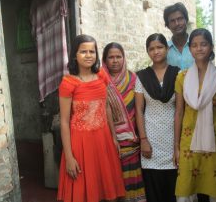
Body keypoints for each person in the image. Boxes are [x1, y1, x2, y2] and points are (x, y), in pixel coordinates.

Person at [57, 35, 125, 202]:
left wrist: (114, 137)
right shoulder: (68, 83)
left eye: (92, 51)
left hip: (103, 140)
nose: (88, 55)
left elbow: (106, 106)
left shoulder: (102, 75)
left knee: (106, 189)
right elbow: (64, 122)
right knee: (83, 193)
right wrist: (69, 157)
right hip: (79, 144)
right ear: (74, 55)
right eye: (83, 52)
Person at [174, 28, 216, 202]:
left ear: (210, 47)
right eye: (194, 45)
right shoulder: (182, 78)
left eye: (203, 44)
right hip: (189, 142)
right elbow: (179, 113)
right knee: (185, 190)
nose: (199, 48)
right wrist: (176, 148)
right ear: (190, 49)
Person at [135, 33, 180, 202]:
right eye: (151, 49)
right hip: (150, 139)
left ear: (167, 49)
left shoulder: (178, 74)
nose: (156, 51)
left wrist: (177, 145)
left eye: (160, 47)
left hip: (172, 139)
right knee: (153, 190)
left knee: (172, 189)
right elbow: (139, 110)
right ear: (148, 52)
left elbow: (179, 111)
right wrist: (143, 139)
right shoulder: (142, 76)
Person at [102, 42, 146, 202]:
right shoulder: (100, 80)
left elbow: (140, 108)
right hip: (109, 139)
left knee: (132, 178)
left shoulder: (133, 78)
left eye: (118, 56)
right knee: (113, 180)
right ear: (104, 60)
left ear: (124, 58)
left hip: (132, 140)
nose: (115, 60)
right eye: (111, 57)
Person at [163, 2, 194, 70]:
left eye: (180, 19)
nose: (177, 23)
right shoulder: (164, 50)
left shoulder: (196, 46)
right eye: (172, 21)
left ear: (186, 20)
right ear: (168, 26)